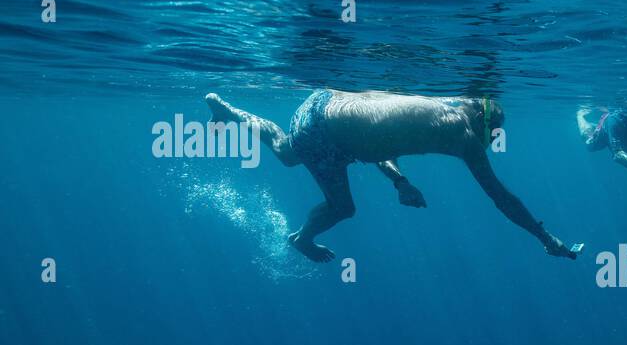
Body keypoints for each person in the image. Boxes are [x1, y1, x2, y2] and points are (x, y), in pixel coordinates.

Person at [205, 90, 582, 263]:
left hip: (323, 103)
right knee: (342, 207)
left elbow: (380, 141)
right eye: (494, 134)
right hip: (330, 134)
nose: (492, 143)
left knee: (287, 152)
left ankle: (233, 115)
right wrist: (544, 237)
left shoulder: (432, 105)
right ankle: (302, 239)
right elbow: (502, 198)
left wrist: (400, 183)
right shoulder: (465, 137)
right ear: (483, 122)